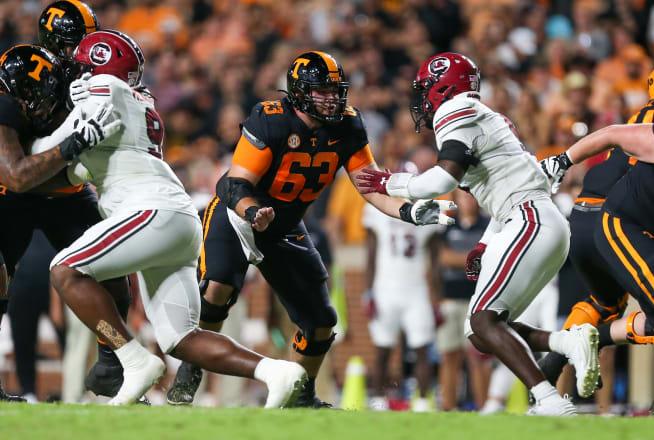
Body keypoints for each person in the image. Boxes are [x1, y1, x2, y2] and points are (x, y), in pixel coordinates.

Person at [166, 50, 455, 407]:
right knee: (217, 290)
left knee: (321, 322)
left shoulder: (348, 124)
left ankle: (302, 395)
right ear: (300, 91)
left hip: (284, 227)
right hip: (238, 217)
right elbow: (233, 184)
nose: (333, 99)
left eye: (336, 91)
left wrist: (408, 211)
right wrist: (253, 210)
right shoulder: (271, 118)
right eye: (323, 91)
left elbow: (370, 186)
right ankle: (191, 368)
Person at [36, 29, 309, 406]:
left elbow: (46, 151)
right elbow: (69, 168)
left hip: (150, 210)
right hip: (176, 218)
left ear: (96, 68)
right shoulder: (134, 102)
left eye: (83, 68)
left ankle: (133, 361)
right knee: (181, 338)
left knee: (64, 270)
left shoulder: (103, 88)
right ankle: (274, 371)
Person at [357, 52, 600, 416]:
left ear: (444, 87)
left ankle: (549, 401)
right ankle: (565, 341)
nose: (423, 100)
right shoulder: (486, 117)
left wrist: (391, 182)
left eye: (427, 90)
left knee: (483, 321)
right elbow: (503, 189)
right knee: (481, 332)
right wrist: (486, 242)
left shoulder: (456, 111)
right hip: (531, 219)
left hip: (529, 218)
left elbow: (442, 179)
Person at [537, 65, 654, 411]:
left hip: (583, 216)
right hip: (618, 221)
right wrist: (562, 160)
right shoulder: (652, 126)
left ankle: (557, 362)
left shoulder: (642, 114)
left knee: (605, 305)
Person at [0, 43, 118, 402]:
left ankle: (115, 362)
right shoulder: (5, 102)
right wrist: (75, 143)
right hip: (10, 193)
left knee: (114, 266)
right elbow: (16, 177)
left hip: (68, 193)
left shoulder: (77, 81)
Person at [36, 0, 138, 401]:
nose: (79, 50)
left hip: (67, 190)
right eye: (71, 42)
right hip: (18, 190)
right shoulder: (32, 71)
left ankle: (112, 361)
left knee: (115, 278)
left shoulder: (93, 77)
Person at [362, 160, 443, 412]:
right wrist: (369, 291)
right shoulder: (379, 209)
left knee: (421, 348)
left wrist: (436, 299)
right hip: (386, 286)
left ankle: (421, 401)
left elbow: (436, 260)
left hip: (415, 288)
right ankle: (378, 400)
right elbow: (371, 253)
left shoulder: (428, 209)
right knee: (383, 349)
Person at [436, 189, 491, 411]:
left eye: (471, 195)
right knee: (450, 354)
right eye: (463, 196)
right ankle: (447, 407)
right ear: (456, 199)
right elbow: (443, 257)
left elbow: (490, 257)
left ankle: (484, 407)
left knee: (478, 356)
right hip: (451, 297)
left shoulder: (488, 225)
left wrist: (459, 259)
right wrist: (473, 257)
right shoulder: (448, 224)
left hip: (478, 300)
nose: (467, 200)